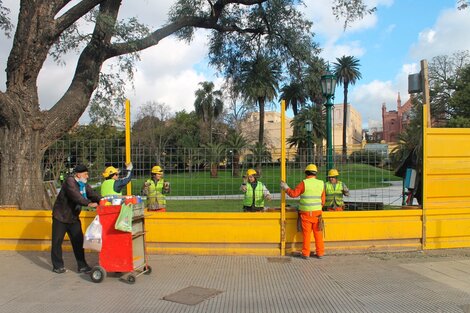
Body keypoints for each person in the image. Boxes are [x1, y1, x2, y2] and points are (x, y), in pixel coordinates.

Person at [51, 164, 101, 274]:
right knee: (57, 241)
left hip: (73, 218)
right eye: (85, 174)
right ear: (78, 174)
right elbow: (76, 196)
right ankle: (57, 266)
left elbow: (92, 194)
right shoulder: (70, 182)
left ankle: (82, 266)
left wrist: (102, 200)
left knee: (78, 241)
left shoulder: (83, 184)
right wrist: (89, 203)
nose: (87, 176)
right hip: (61, 217)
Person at [281, 164, 325, 259]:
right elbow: (323, 201)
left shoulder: (304, 183)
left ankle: (306, 254)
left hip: (306, 214)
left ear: (306, 173)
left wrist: (286, 188)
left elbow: (293, 194)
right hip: (317, 214)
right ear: (316, 173)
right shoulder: (321, 183)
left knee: (306, 235)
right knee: (318, 234)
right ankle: (320, 253)